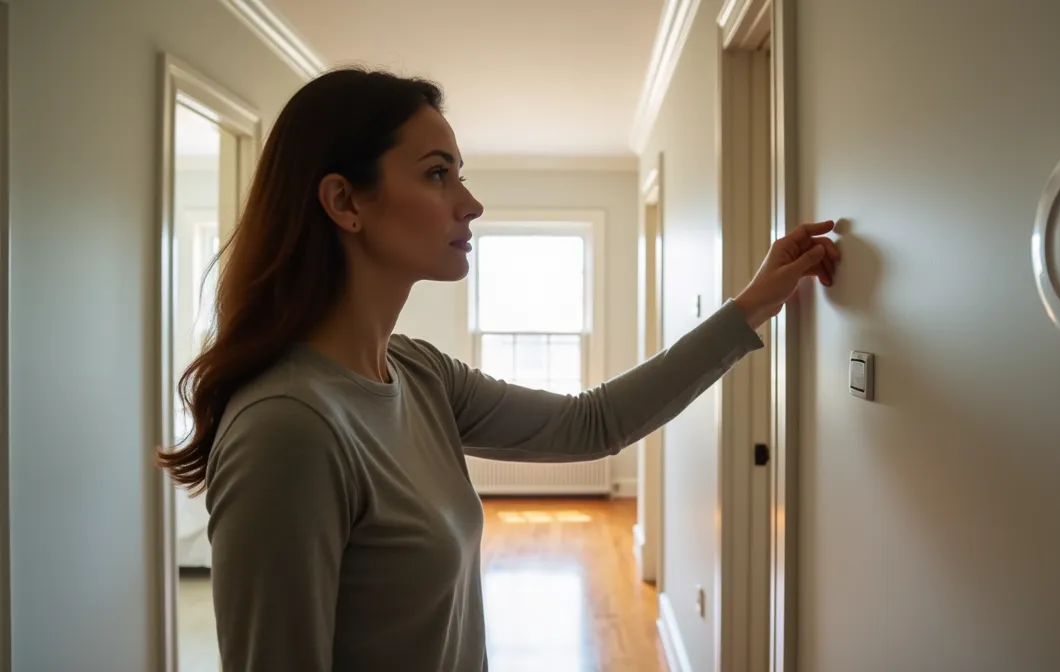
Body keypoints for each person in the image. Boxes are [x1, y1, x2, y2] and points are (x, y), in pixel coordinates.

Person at [158, 67, 840, 672]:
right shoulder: (288, 428)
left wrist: (753, 305)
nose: (470, 202)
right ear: (344, 202)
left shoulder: (415, 372)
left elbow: (590, 423)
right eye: (436, 174)